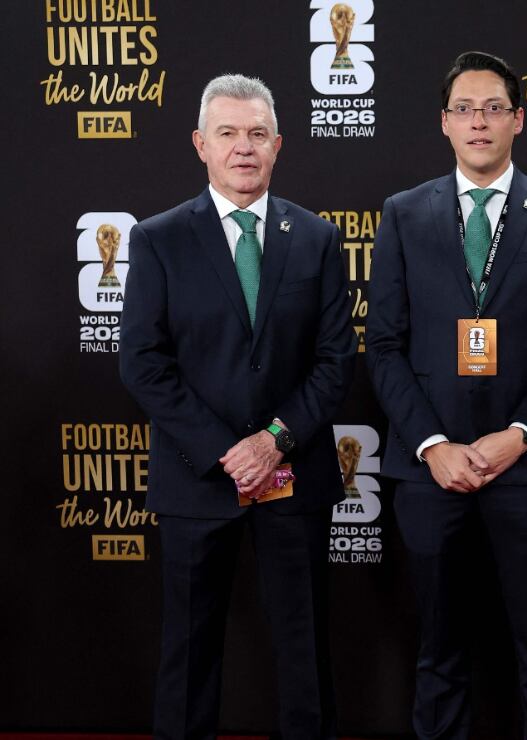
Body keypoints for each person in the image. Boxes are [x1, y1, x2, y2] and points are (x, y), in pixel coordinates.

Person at [119, 73, 355, 739]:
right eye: (228, 133)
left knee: (306, 653)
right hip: (198, 479)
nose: (243, 147)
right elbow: (142, 362)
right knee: (188, 656)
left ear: (278, 145)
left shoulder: (317, 238)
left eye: (257, 134)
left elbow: (336, 358)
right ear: (201, 144)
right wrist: (229, 451)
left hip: (294, 476)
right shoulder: (159, 239)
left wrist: (274, 440)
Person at [365, 51, 527, 740]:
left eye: (494, 108)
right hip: (431, 473)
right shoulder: (404, 214)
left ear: (519, 120)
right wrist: (433, 446)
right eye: (464, 109)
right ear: (444, 123)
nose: (479, 121)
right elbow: (385, 347)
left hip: (526, 468)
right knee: (438, 653)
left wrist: (518, 436)